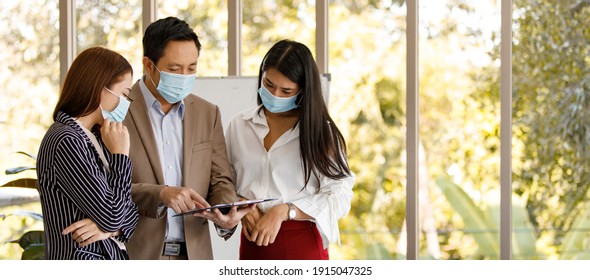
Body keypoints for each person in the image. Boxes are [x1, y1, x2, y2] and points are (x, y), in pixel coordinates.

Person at [123, 16, 251, 260]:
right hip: (138, 256)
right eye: (174, 69)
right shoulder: (119, 111)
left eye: (191, 68)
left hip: (195, 256)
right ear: (148, 65)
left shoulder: (207, 113)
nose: (184, 76)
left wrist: (227, 210)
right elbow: (106, 186)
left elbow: (220, 179)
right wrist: (160, 194)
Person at [225, 39, 356, 260]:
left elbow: (340, 196)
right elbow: (222, 179)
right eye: (268, 84)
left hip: (302, 243)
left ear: (303, 91)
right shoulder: (240, 125)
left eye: (286, 91)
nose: (275, 95)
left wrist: (287, 210)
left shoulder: (320, 133)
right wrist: (239, 205)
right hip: (252, 243)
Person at [36, 46, 139, 260]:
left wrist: (108, 229)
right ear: (100, 88)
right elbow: (113, 215)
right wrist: (121, 156)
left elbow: (130, 215)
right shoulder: (66, 140)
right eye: (123, 94)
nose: (125, 104)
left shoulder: (97, 138)